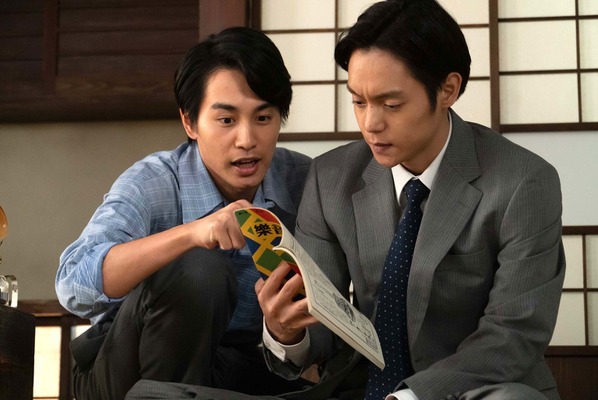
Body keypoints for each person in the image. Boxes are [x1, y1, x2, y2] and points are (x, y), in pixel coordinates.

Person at [126, 0, 565, 399]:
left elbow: (512, 335)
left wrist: (409, 398)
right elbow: (325, 321)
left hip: (472, 391)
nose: (370, 123)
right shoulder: (331, 177)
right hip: (355, 391)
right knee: (155, 396)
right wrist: (286, 331)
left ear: (448, 89)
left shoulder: (523, 183)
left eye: (391, 104)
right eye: (358, 101)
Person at [55, 26, 312, 400]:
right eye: (226, 120)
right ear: (190, 122)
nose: (247, 140)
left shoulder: (304, 182)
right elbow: (73, 285)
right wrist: (192, 233)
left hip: (232, 366)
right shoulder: (153, 182)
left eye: (263, 118)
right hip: (126, 368)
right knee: (201, 268)